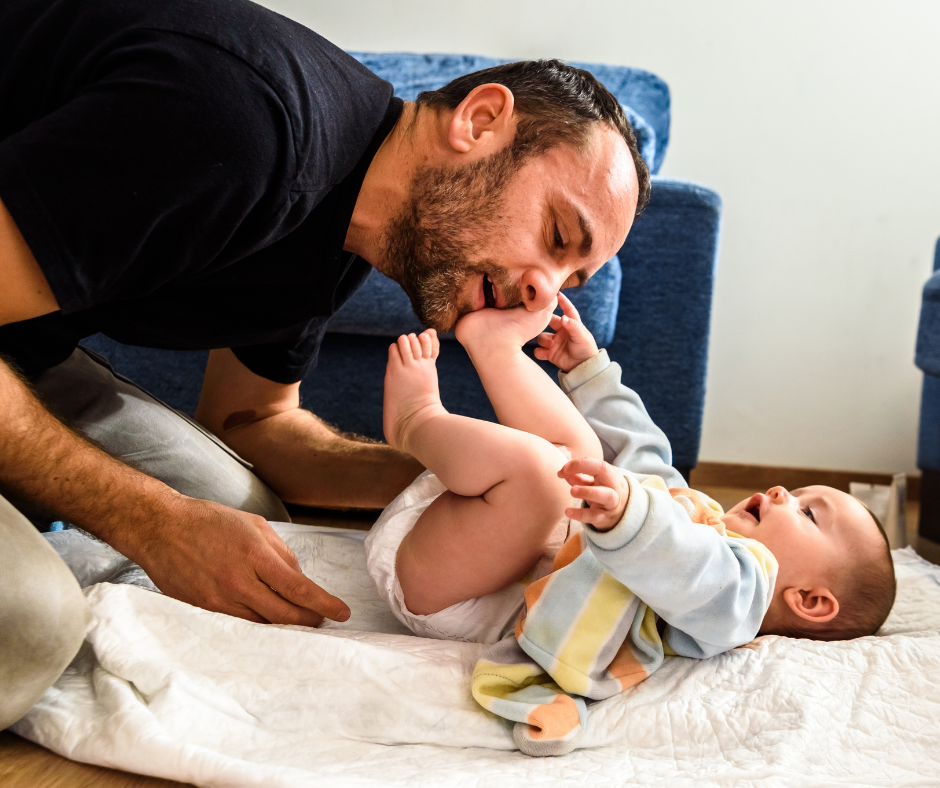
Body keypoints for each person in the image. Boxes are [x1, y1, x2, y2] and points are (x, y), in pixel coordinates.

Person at [0, 0, 650, 727]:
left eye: (571, 281)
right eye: (558, 234)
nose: (544, 291)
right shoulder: (245, 124)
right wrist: (149, 518)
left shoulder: (352, 227)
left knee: (247, 515)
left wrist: (498, 484)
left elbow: (254, 422)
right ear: (480, 121)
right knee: (26, 633)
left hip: (20, 345)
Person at [366, 293, 897, 755]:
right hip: (470, 520)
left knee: (547, 479)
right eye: (800, 492)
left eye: (807, 513)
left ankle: (415, 420)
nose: (784, 492)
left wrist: (630, 514)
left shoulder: (732, 605)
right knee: (583, 455)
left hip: (452, 590)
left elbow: (691, 568)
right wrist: (590, 373)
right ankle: (496, 349)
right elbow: (645, 451)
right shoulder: (696, 517)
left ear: (810, 600)